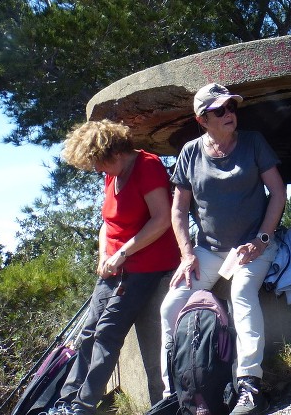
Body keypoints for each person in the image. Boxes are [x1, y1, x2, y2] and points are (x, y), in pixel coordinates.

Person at [159, 83, 287, 415]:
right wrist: (187, 254)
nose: (229, 114)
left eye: (231, 107)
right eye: (220, 111)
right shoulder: (190, 152)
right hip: (208, 250)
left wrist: (261, 240)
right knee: (170, 306)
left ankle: (249, 386)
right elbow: (178, 209)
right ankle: (176, 391)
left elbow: (278, 192)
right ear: (202, 120)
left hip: (252, 247)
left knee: (242, 293)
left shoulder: (254, 142)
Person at [48, 121, 180, 415]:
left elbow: (161, 219)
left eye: (96, 162)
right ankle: (64, 403)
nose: (95, 169)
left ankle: (81, 407)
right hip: (116, 267)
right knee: (87, 334)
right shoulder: (112, 174)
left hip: (148, 264)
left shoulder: (147, 165)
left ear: (113, 152)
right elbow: (107, 225)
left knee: (107, 333)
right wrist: (103, 257)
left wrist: (122, 253)